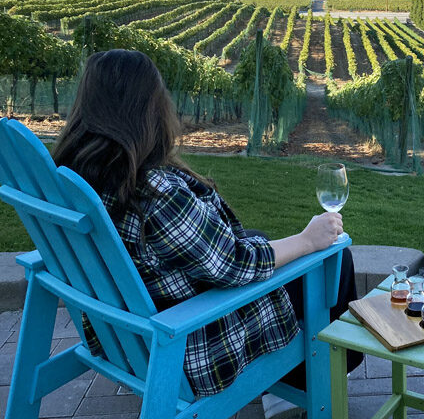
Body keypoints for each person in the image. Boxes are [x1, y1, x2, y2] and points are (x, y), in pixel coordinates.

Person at [52, 48, 361, 404]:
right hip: (191, 345)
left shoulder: (77, 176)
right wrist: (308, 241)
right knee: (335, 260)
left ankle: (295, 381)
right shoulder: (154, 193)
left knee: (259, 239)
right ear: (148, 108)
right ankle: (318, 378)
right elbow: (235, 264)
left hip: (124, 333)